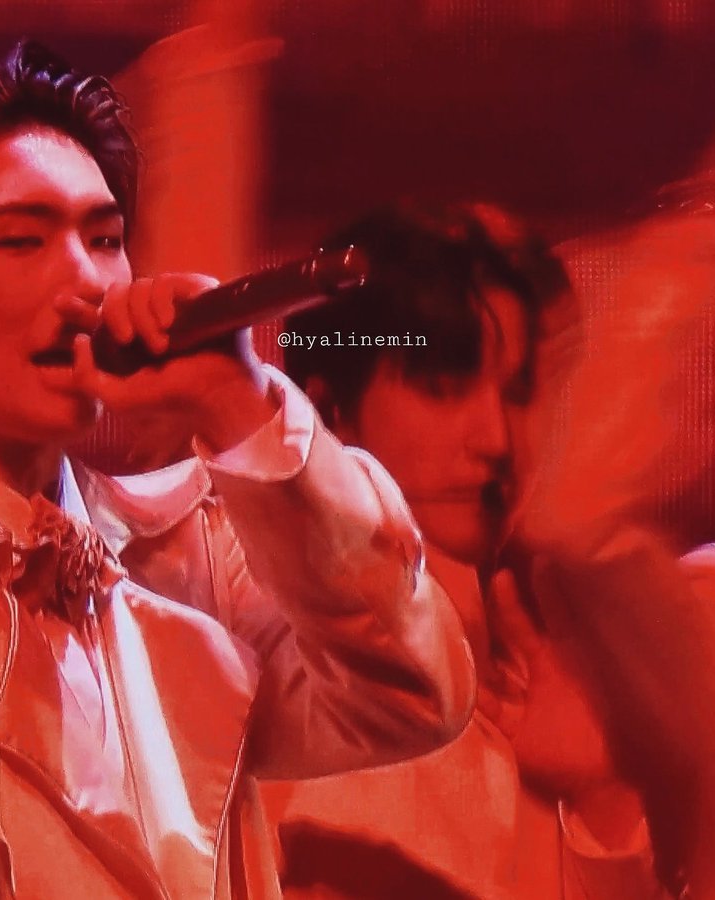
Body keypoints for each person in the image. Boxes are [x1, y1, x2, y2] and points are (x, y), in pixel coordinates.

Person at [0, 41, 475, 899]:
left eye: (105, 240)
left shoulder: (186, 549)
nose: (84, 282)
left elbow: (413, 696)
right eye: (21, 241)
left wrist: (235, 402)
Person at [270, 203, 676, 899]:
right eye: (444, 387)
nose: (496, 438)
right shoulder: (266, 672)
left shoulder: (552, 689)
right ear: (329, 412)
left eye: (517, 391)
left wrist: (602, 800)